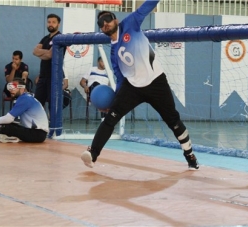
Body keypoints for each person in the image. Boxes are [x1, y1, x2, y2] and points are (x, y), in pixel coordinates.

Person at [81, 0, 199, 170]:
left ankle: (190, 155)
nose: (105, 23)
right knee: (110, 118)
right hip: (132, 87)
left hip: (156, 82)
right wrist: (114, 101)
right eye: (101, 23)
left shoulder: (130, 23)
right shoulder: (113, 52)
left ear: (115, 19)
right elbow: (120, 78)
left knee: (173, 120)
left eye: (107, 18)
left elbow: (147, 6)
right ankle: (92, 154)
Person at [0, 78, 48, 143]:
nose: (11, 90)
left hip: (37, 134)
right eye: (10, 87)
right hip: (38, 133)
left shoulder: (24, 99)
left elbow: (9, 118)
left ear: (22, 89)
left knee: (3, 126)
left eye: (14, 87)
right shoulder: (27, 97)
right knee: (2, 124)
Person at [33, 13, 64, 110]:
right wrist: (47, 53)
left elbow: (50, 55)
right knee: (37, 103)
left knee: (53, 104)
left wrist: (42, 53)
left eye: (53, 22)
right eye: (49, 22)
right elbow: (34, 51)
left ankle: (53, 124)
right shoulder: (45, 38)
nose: (51, 24)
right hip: (42, 76)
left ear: (58, 24)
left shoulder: (60, 38)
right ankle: (38, 124)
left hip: (54, 77)